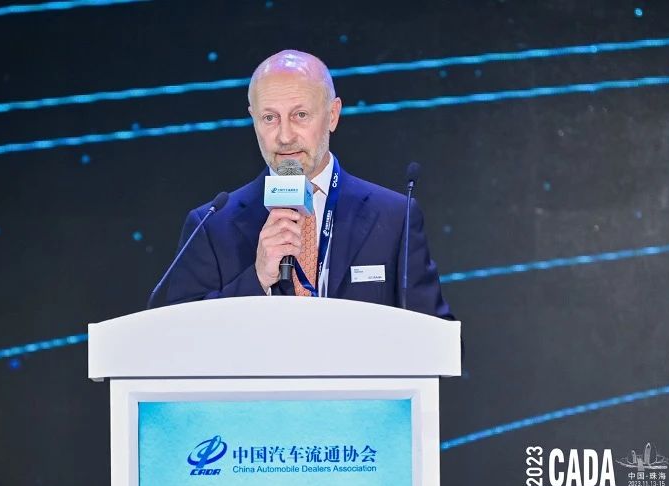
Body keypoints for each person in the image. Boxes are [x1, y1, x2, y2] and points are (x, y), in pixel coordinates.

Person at [150, 50, 453, 320]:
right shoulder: (211, 226)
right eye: (270, 118)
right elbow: (181, 337)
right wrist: (257, 279)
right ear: (253, 119)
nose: (284, 136)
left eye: (300, 115)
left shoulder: (395, 217)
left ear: (332, 115)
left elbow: (440, 342)